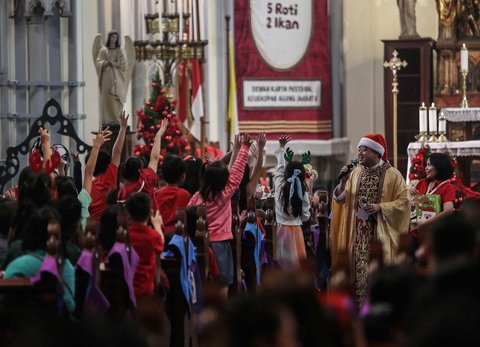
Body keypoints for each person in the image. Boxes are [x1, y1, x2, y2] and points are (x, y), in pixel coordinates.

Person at [331, 134, 410, 306]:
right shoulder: (355, 173)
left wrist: (380, 207)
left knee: (376, 273)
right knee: (354, 276)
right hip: (356, 234)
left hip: (380, 236)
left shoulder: (393, 175)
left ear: (377, 153)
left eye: (364, 149)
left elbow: (404, 202)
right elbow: (341, 199)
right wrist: (342, 182)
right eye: (359, 149)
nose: (359, 152)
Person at [187, 134, 251, 297]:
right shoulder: (224, 194)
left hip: (198, 245)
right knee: (222, 282)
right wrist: (244, 148)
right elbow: (236, 174)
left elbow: (189, 214)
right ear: (224, 181)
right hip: (219, 244)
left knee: (202, 282)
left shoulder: (196, 197)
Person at [273, 135, 310, 269]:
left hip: (281, 230)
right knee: (297, 267)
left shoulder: (279, 189)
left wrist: (281, 148)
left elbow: (280, 169)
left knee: (283, 267)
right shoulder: (304, 194)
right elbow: (306, 216)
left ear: (285, 175)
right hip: (296, 232)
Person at [88, 111, 128, 221]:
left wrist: (96, 146)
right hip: (112, 221)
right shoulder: (110, 174)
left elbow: (88, 171)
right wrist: (123, 128)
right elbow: (117, 152)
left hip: (95, 227)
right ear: (106, 162)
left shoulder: (88, 185)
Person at [117, 118, 168, 204]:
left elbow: (117, 153)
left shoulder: (121, 194)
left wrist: (122, 128)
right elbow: (155, 158)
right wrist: (158, 135)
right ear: (140, 171)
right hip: (149, 217)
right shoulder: (146, 179)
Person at [126, 192, 164, 298]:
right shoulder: (154, 237)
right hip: (147, 290)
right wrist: (156, 224)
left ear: (128, 215)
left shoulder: (124, 236)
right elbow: (161, 242)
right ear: (149, 214)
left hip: (126, 290)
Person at [410, 152, 456, 234]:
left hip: (435, 234)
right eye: (426, 165)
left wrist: (426, 223)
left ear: (439, 167)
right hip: (415, 232)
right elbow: (410, 203)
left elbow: (448, 210)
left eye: (429, 165)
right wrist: (408, 192)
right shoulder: (422, 182)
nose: (426, 168)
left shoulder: (448, 187)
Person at [153, 155, 191, 237]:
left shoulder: (156, 194)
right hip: (179, 236)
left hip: (160, 234)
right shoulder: (185, 194)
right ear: (182, 177)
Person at [96, 31, 127, 124]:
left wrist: (114, 63)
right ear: (109, 38)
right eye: (113, 37)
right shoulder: (103, 50)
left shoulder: (120, 50)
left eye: (116, 37)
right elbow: (98, 62)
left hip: (117, 77)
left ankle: (118, 120)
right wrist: (106, 63)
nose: (114, 39)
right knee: (108, 99)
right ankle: (108, 120)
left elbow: (123, 65)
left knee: (117, 99)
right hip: (107, 77)